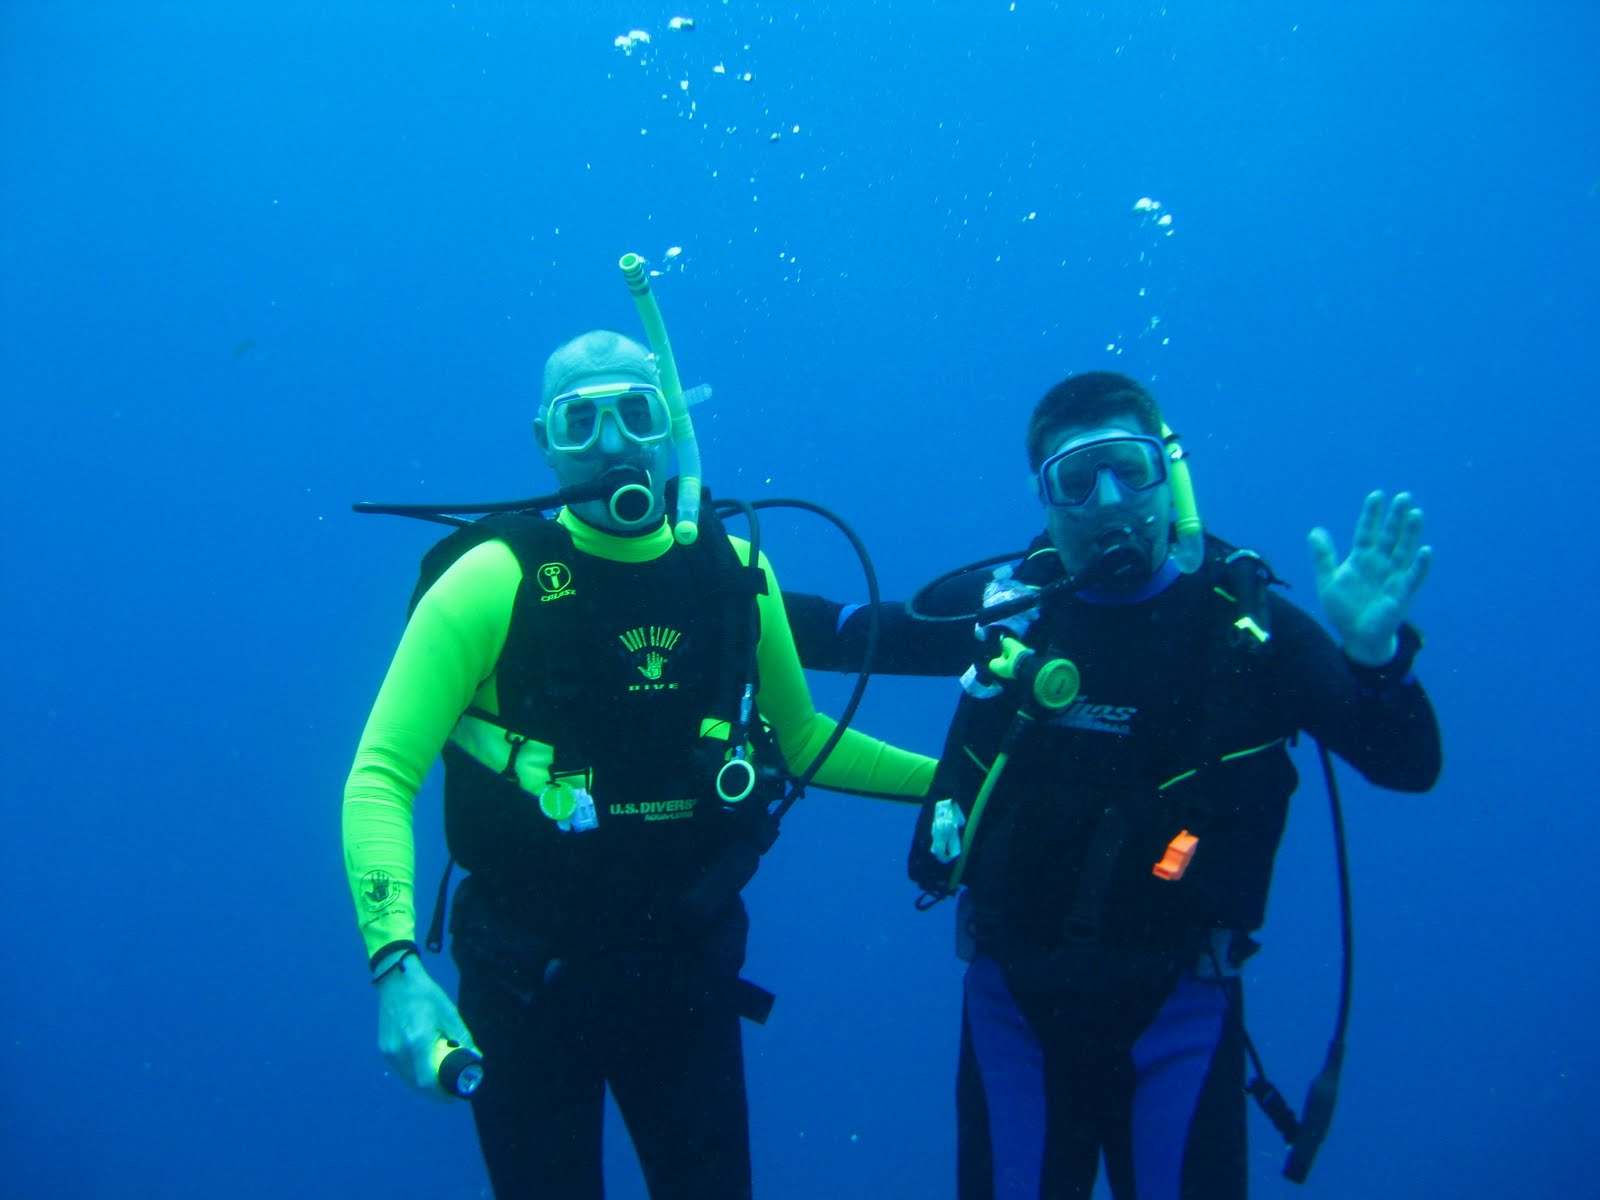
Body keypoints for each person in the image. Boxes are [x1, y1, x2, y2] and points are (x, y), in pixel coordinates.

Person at [784, 370, 1441, 1199]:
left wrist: (1375, 662)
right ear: (1045, 500)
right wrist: (723, 577)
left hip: (1183, 1007)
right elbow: (846, 634)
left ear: (1172, 475)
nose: (1109, 500)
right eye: (1076, 478)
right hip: (1012, 1006)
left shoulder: (1248, 632)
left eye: (1132, 469)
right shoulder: (1009, 615)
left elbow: (1407, 767)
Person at [341, 328, 935, 1200]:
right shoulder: (491, 577)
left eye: (634, 412)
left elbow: (803, 740)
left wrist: (959, 779)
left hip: (683, 980)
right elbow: (381, 775)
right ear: (543, 441)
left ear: (671, 427)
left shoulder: (735, 573)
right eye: (580, 422)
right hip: (524, 988)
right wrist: (395, 967)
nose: (612, 442)